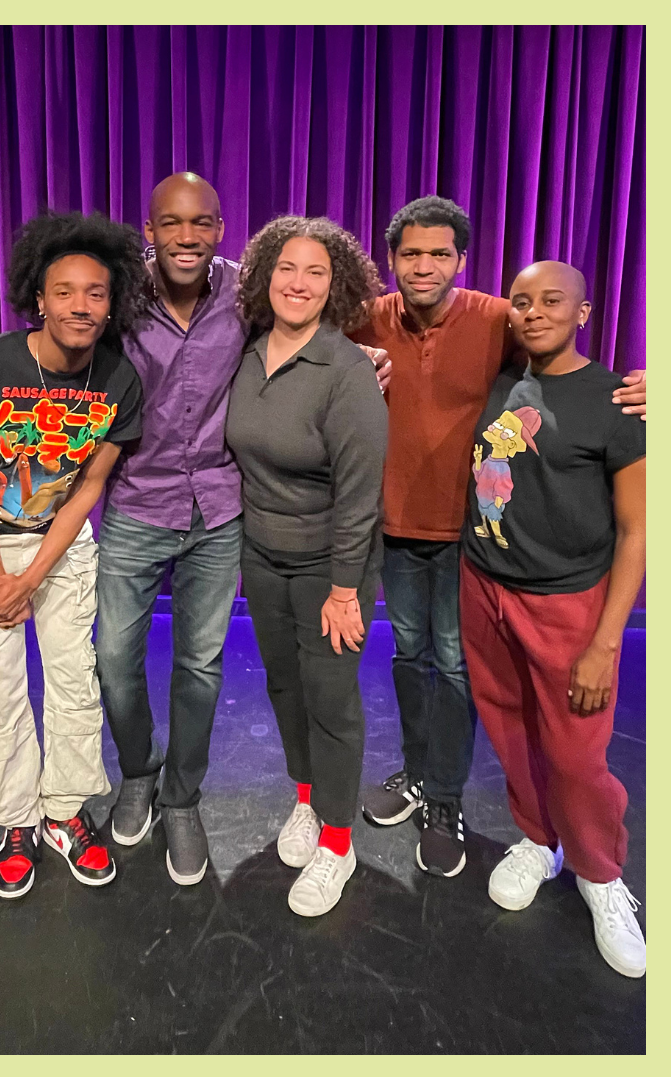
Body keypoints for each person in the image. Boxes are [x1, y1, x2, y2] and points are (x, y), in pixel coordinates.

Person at [95, 173, 393, 886]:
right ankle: (139, 772)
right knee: (113, 659)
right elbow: (56, 328)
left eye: (202, 222)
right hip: (139, 503)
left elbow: (318, 332)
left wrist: (369, 358)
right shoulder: (119, 294)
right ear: (149, 228)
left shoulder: (244, 294)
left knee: (202, 669)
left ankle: (184, 797)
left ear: (221, 229)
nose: (188, 236)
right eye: (172, 223)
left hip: (222, 512)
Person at [353, 196, 647, 878]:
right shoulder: (365, 318)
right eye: (410, 253)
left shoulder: (498, 317)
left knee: (454, 668)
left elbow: (571, 371)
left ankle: (448, 801)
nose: (423, 266)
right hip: (392, 530)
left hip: (469, 536)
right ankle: (419, 774)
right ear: (391, 259)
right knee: (408, 656)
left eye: (439, 254)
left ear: (461, 260)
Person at [0, 211, 145, 899]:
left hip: (59, 543)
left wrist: (34, 575)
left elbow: (88, 489)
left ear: (112, 302)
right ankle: (16, 822)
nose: (80, 306)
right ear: (39, 296)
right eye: (65, 291)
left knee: (74, 680)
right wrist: (1, 578)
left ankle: (63, 813)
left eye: (95, 292)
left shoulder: (118, 379)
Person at [459, 261, 646, 978]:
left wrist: (606, 643)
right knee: (510, 727)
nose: (533, 312)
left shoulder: (618, 401)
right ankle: (539, 840)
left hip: (567, 602)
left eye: (552, 301)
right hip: (484, 587)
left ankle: (601, 875)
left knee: (574, 752)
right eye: (521, 301)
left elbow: (637, 533)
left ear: (585, 312)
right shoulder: (503, 377)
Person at [226, 216, 387, 917]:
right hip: (262, 557)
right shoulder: (247, 352)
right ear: (264, 277)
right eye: (286, 268)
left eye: (315, 272)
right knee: (286, 689)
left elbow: (360, 493)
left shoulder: (347, 369)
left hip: (331, 568)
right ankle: (306, 800)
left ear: (337, 284)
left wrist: (345, 589)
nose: (298, 282)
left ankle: (339, 842)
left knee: (331, 703)